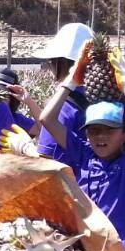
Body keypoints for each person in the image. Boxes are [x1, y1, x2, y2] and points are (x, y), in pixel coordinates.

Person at [40, 43, 125, 251]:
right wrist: (71, 81)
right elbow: (46, 119)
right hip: (87, 248)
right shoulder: (83, 153)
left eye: (108, 130)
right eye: (93, 130)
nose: (99, 136)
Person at [33, 21, 93, 156]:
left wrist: (24, 148)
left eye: (51, 62)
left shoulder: (62, 106)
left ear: (62, 62)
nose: (50, 68)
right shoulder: (103, 95)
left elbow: (47, 156)